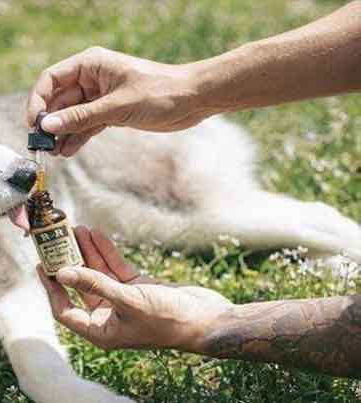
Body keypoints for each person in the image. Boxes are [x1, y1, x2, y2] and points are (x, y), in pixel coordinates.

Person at [27, 2, 361, 378]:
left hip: (133, 166)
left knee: (199, 219)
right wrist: (188, 87)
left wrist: (208, 325)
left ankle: (324, 233)